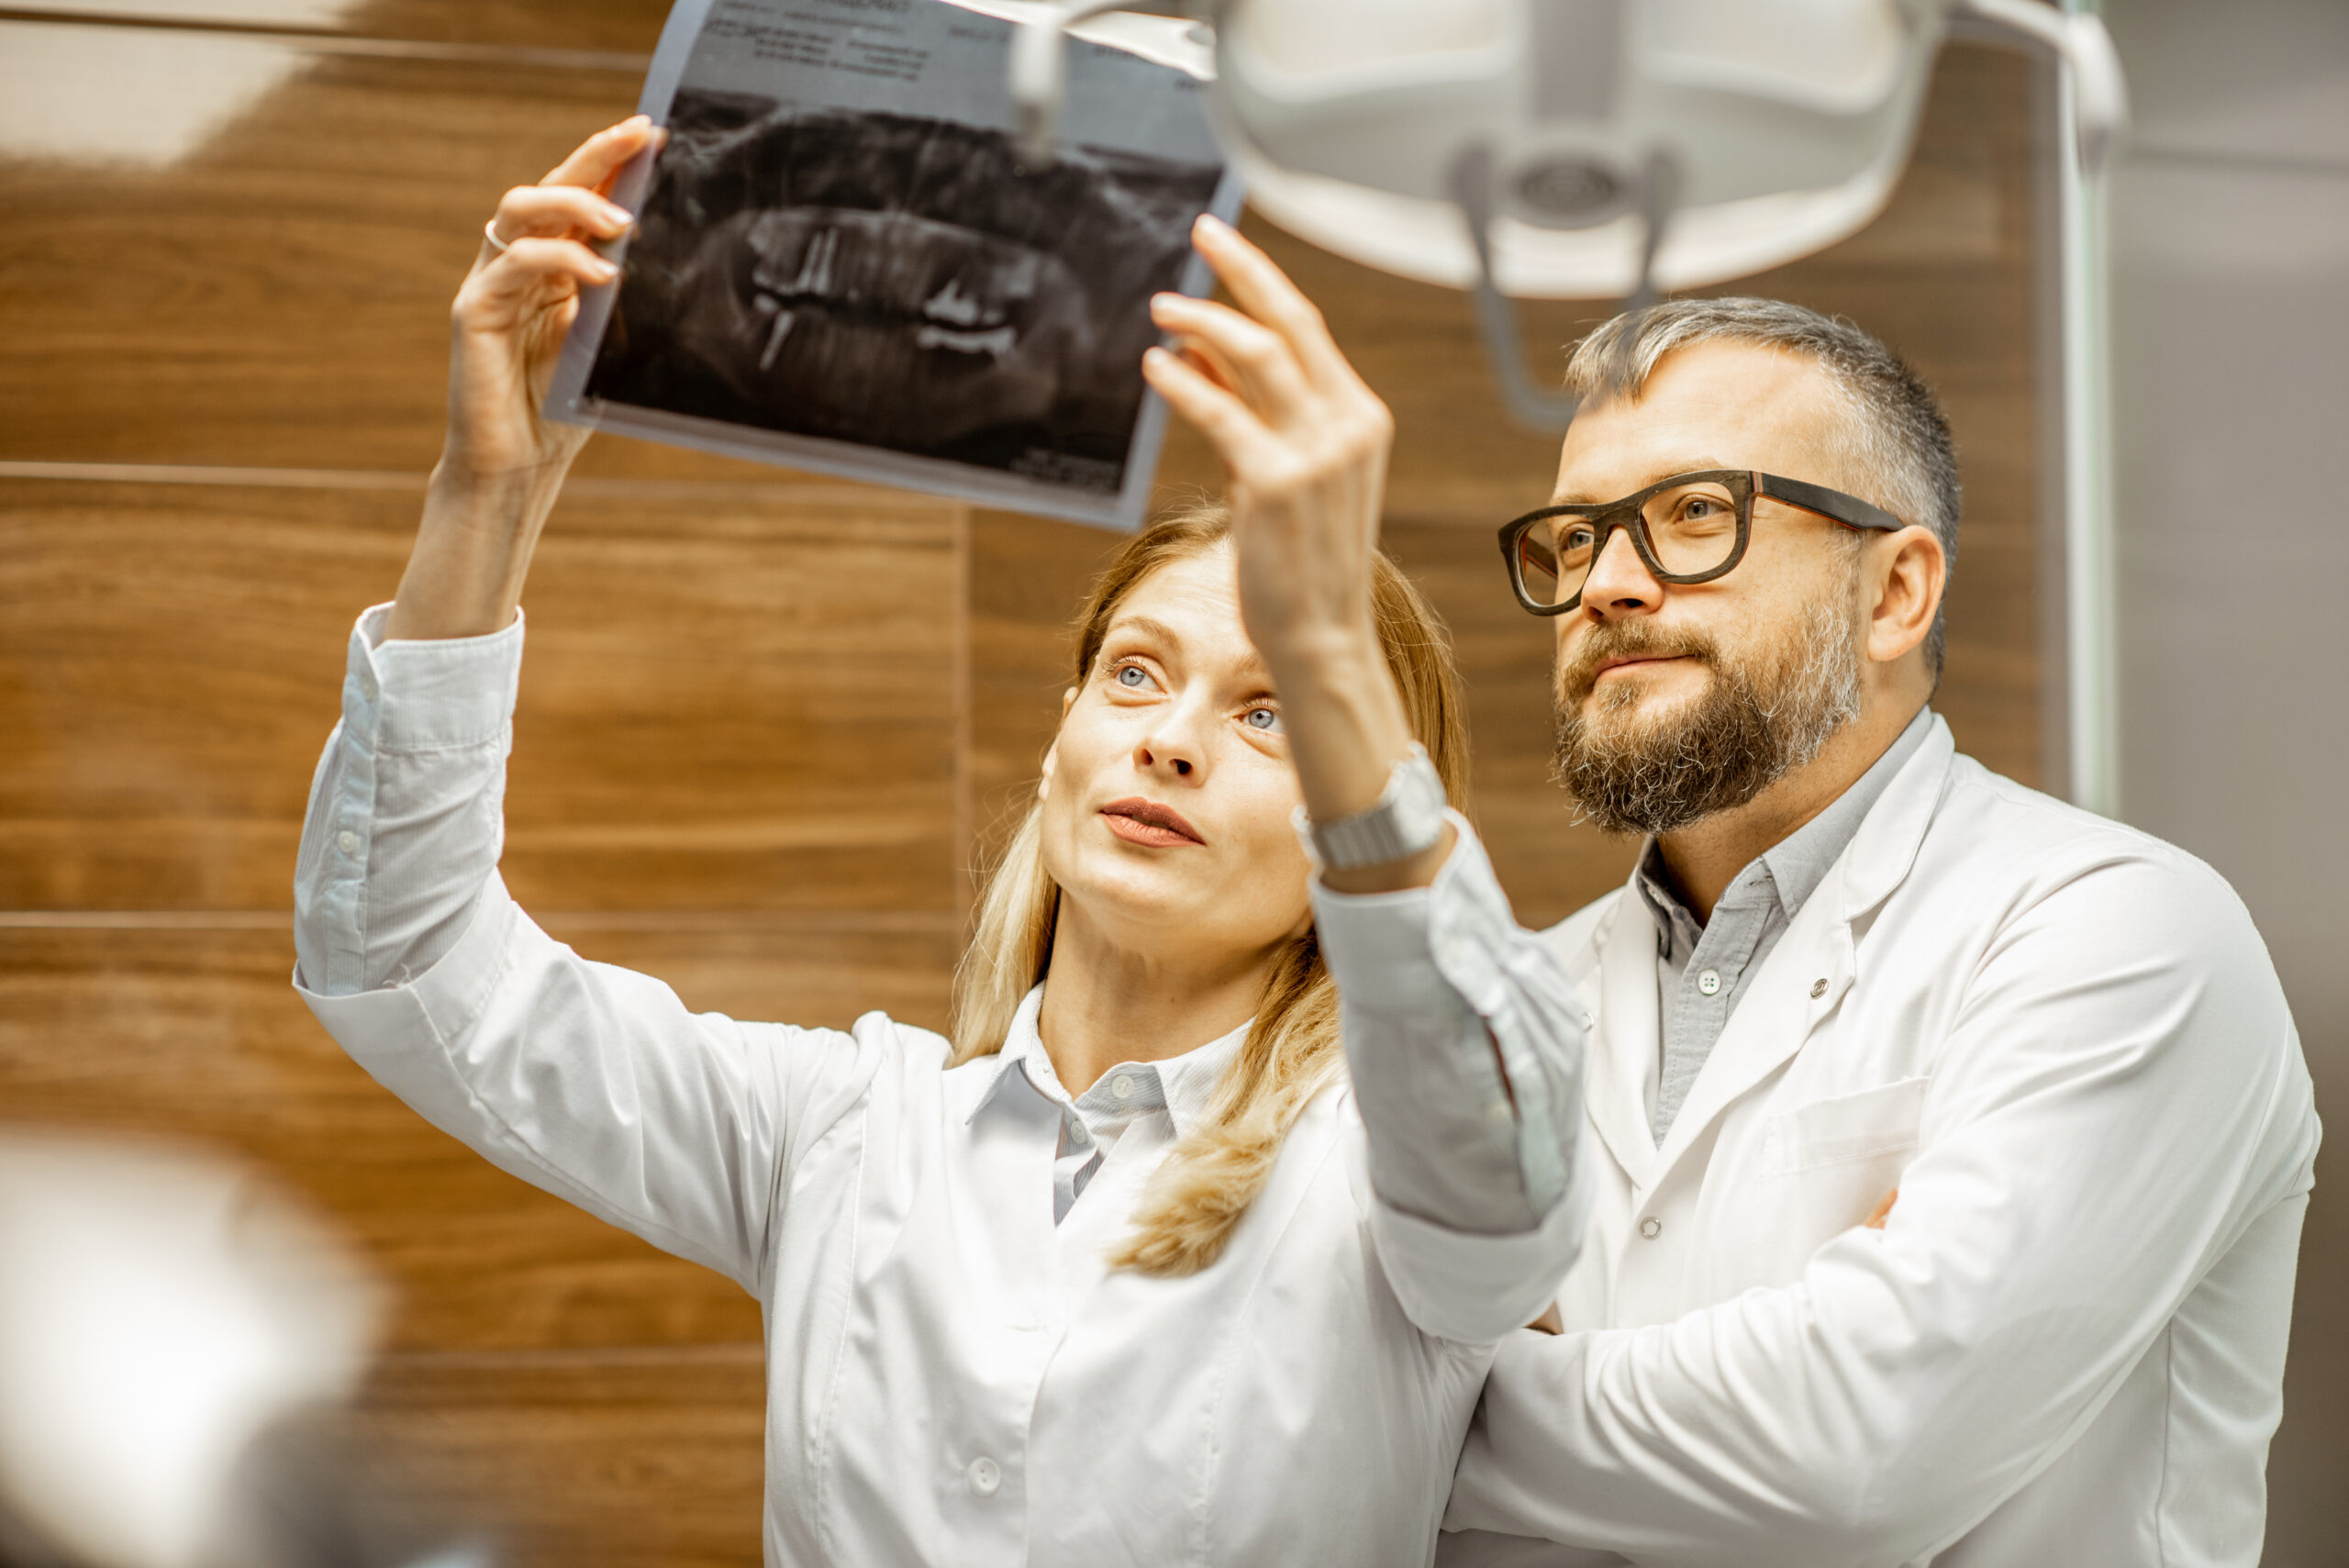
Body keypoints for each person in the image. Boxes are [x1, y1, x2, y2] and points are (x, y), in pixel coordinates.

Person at [289, 117, 1586, 1566]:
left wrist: (1333, 640)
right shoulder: (841, 1128)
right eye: (1136, 673)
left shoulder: (1396, 1185)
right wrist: (490, 492)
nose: (1171, 740)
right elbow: (405, 957)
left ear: (1346, 820)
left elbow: (1500, 1169)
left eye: (1271, 711)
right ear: (1059, 741)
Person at [1398, 300, 2310, 1564]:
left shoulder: (2124, 934)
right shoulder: (1508, 998)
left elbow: (1859, 1455)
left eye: (1695, 514)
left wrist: (1425, 1409)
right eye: (1577, 536)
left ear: (1895, 592)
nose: (1603, 583)